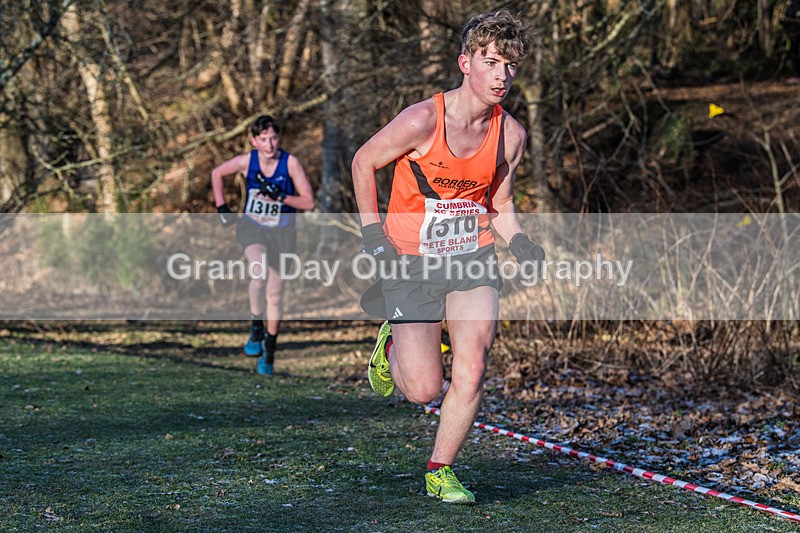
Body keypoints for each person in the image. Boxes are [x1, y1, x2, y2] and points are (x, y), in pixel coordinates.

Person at [352, 10, 544, 504]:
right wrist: (372, 231)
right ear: (465, 62)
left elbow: (498, 204)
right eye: (492, 61)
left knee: (474, 367)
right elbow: (363, 161)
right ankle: (392, 344)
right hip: (410, 260)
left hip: (472, 258)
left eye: (511, 66)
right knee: (421, 390)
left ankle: (441, 469)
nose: (502, 75)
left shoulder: (511, 136)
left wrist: (520, 243)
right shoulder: (422, 119)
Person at [211, 115, 315, 375]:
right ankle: (256, 324)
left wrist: (282, 196)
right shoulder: (248, 161)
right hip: (253, 228)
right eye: (264, 139)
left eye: (274, 138)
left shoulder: (290, 163)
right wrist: (221, 206)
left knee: (275, 295)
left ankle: (269, 349)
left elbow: (308, 202)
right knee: (258, 272)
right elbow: (217, 173)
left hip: (282, 233)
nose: (269, 144)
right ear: (253, 140)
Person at [783, 0, 800, 84]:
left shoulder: (796, 4)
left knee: (794, 54)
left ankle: (797, 75)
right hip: (790, 37)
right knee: (790, 51)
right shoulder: (790, 6)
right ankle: (796, 74)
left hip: (795, 36)